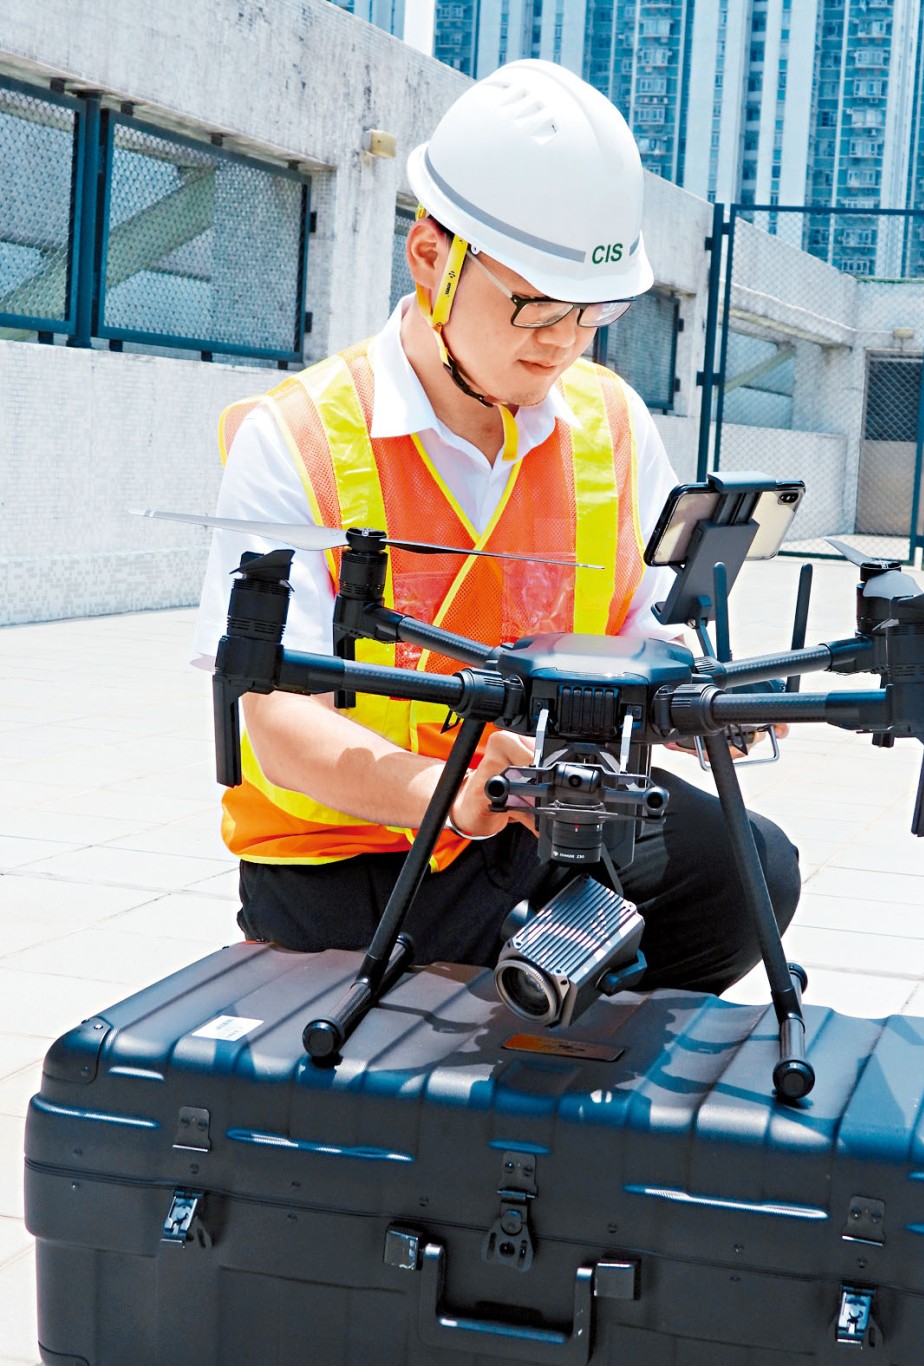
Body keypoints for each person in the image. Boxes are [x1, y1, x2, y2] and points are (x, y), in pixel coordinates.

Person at [193, 60, 800, 994]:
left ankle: (581, 1075)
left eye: (589, 314)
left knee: (749, 871)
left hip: (545, 812)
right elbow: (272, 724)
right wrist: (447, 789)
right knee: (461, 1000)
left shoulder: (609, 422)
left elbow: (647, 623)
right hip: (352, 851)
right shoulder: (300, 437)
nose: (560, 341)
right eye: (533, 305)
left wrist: (705, 691)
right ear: (431, 257)